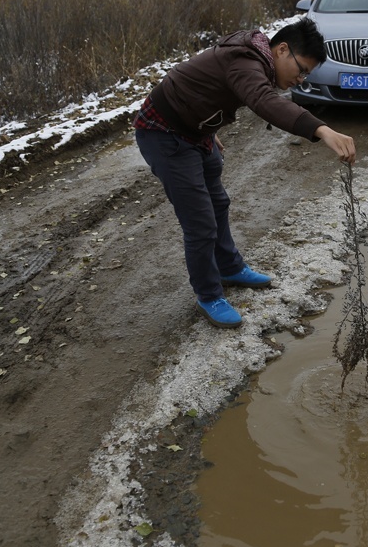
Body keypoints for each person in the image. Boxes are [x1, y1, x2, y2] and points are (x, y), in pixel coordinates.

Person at [133, 18, 356, 329]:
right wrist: (320, 129)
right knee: (200, 222)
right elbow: (263, 101)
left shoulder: (255, 58)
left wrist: (207, 127)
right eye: (302, 69)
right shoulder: (246, 60)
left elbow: (205, 85)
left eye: (308, 74)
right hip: (163, 132)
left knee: (218, 204)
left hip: (196, 133)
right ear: (281, 50)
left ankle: (229, 267)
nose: (301, 79)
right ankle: (209, 294)